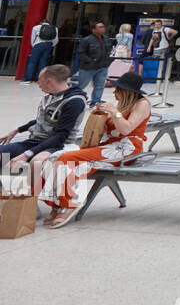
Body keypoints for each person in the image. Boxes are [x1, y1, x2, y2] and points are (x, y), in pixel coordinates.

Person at [40, 71, 151, 228]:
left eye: (117, 89)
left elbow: (126, 130)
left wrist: (114, 113)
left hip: (126, 148)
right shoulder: (120, 104)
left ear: (127, 92)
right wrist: (100, 116)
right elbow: (106, 130)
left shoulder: (142, 104)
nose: (114, 92)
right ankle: (56, 204)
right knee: (54, 158)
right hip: (107, 145)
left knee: (66, 160)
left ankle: (68, 204)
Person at [0, 65, 86, 188]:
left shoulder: (74, 101)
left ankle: (31, 203)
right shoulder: (51, 95)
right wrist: (17, 130)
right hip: (35, 142)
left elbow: (61, 135)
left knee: (36, 163)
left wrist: (26, 154)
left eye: (39, 79)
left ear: (49, 81)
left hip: (57, 145)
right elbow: (40, 120)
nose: (37, 83)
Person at [74, 22, 113, 104]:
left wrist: (108, 61)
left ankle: (96, 102)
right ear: (93, 30)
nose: (103, 28)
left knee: (100, 85)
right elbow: (80, 53)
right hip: (88, 67)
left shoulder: (106, 39)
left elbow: (109, 51)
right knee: (81, 85)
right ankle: (73, 99)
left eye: (103, 26)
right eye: (100, 27)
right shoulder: (87, 40)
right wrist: (90, 61)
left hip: (102, 67)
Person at [25, 17, 58, 82]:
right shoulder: (54, 28)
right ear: (48, 23)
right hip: (49, 45)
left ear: (41, 22)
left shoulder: (36, 27)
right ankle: (40, 78)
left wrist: (34, 45)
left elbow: (33, 38)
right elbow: (56, 39)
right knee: (43, 62)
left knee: (32, 61)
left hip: (38, 45)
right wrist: (51, 45)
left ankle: (28, 78)